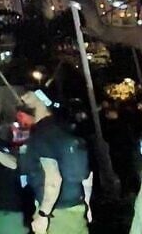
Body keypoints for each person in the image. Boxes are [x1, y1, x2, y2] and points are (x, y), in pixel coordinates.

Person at [17, 90, 92, 234]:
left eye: (29, 95)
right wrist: (87, 204)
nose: (23, 98)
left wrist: (43, 215)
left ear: (42, 100)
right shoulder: (66, 128)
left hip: (55, 213)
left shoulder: (42, 134)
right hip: (76, 208)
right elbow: (87, 173)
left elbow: (53, 179)